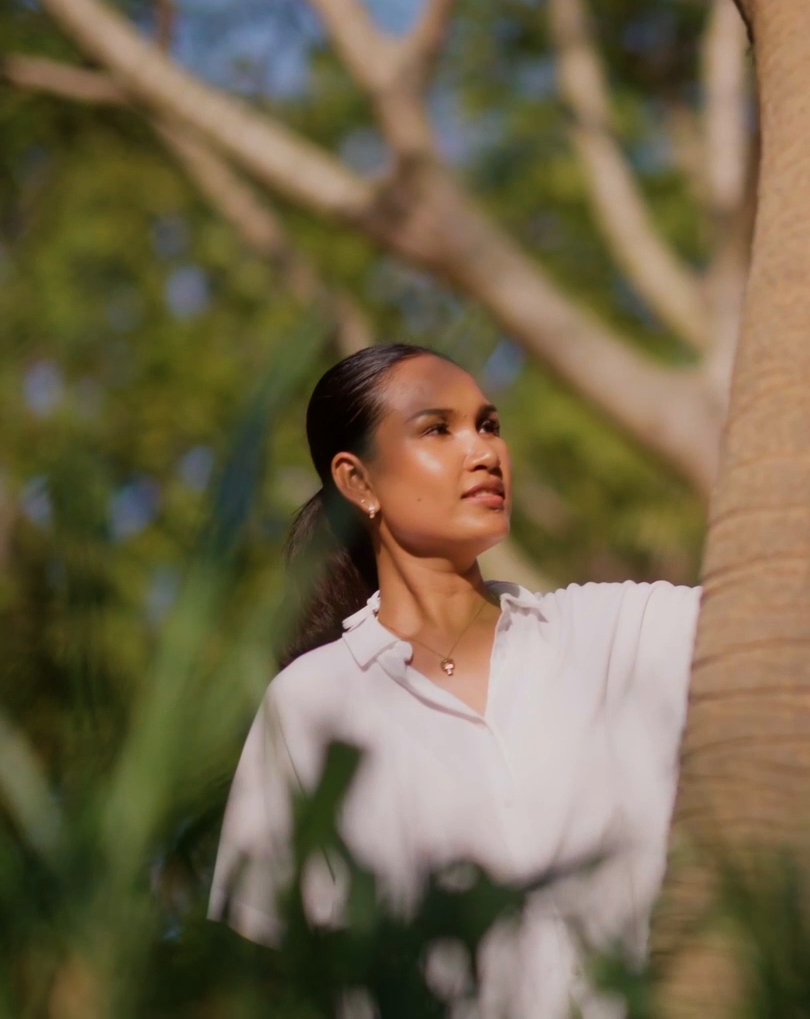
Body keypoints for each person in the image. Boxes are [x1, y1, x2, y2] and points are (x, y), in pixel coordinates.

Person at [210, 343, 698, 1016]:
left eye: (489, 425)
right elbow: (264, 968)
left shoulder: (616, 632)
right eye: (438, 429)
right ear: (359, 483)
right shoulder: (311, 704)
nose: (484, 452)